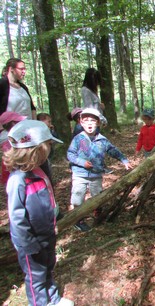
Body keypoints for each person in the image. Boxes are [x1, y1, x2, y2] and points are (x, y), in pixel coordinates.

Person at [3, 120, 74, 306]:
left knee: (49, 268)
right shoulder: (18, 180)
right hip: (30, 242)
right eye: (48, 145)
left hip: (46, 233)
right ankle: (41, 303)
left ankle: (54, 300)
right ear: (37, 149)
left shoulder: (40, 170)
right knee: (36, 277)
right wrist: (27, 244)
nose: (51, 149)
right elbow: (17, 218)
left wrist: (54, 223)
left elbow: (48, 199)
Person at [67, 108, 131, 231]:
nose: (89, 123)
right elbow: (70, 154)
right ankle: (78, 219)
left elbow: (113, 150)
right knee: (77, 196)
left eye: (93, 120)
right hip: (79, 174)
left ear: (98, 123)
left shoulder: (102, 140)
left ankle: (98, 214)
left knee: (97, 195)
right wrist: (81, 162)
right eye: (86, 120)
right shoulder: (78, 139)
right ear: (81, 122)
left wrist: (124, 160)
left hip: (96, 174)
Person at [0, 111, 26, 184]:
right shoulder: (10, 137)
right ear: (12, 123)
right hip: (14, 166)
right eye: (18, 121)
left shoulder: (5, 135)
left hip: (12, 166)